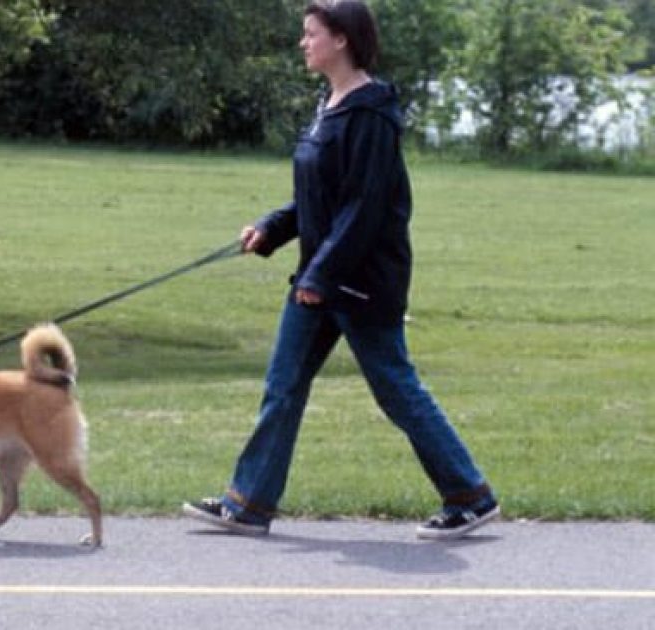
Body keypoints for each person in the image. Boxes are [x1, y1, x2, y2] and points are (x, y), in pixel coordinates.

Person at [183, 0, 498, 540]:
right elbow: (319, 197)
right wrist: (271, 229)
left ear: (342, 40)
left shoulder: (371, 113)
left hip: (361, 283)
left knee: (396, 389)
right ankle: (249, 502)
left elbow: (364, 207)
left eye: (311, 34)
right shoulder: (330, 105)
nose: (303, 43)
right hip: (321, 279)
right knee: (282, 387)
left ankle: (470, 496)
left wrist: (320, 277)